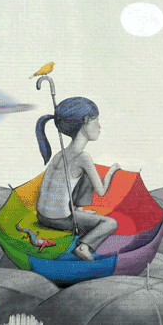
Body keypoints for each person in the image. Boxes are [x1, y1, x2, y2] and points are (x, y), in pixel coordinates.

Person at [35, 97, 120, 261]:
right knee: (110, 223)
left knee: (84, 176)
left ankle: (79, 210)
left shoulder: (60, 154)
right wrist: (111, 171)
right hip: (60, 220)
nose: (100, 126)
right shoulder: (83, 157)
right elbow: (101, 191)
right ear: (86, 121)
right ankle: (83, 246)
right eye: (96, 120)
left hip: (42, 216)